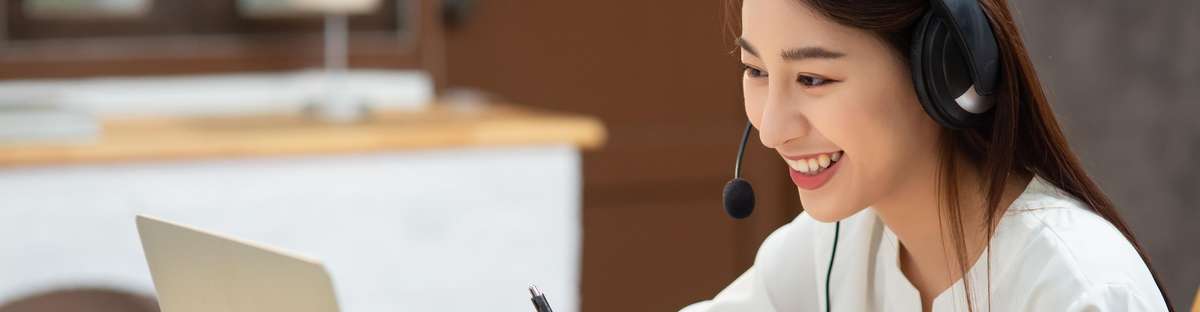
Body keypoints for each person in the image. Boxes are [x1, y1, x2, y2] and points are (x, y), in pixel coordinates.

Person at [682, 0, 1174, 311]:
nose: (770, 130)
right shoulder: (833, 246)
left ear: (946, 74)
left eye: (813, 80)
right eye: (755, 71)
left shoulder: (1076, 288)